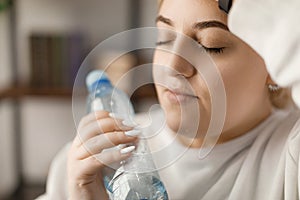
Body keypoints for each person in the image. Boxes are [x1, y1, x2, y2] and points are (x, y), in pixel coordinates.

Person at [37, 0, 300, 199]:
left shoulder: (291, 160)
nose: (173, 65)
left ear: (272, 58)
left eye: (211, 44)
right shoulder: (92, 166)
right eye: (164, 38)